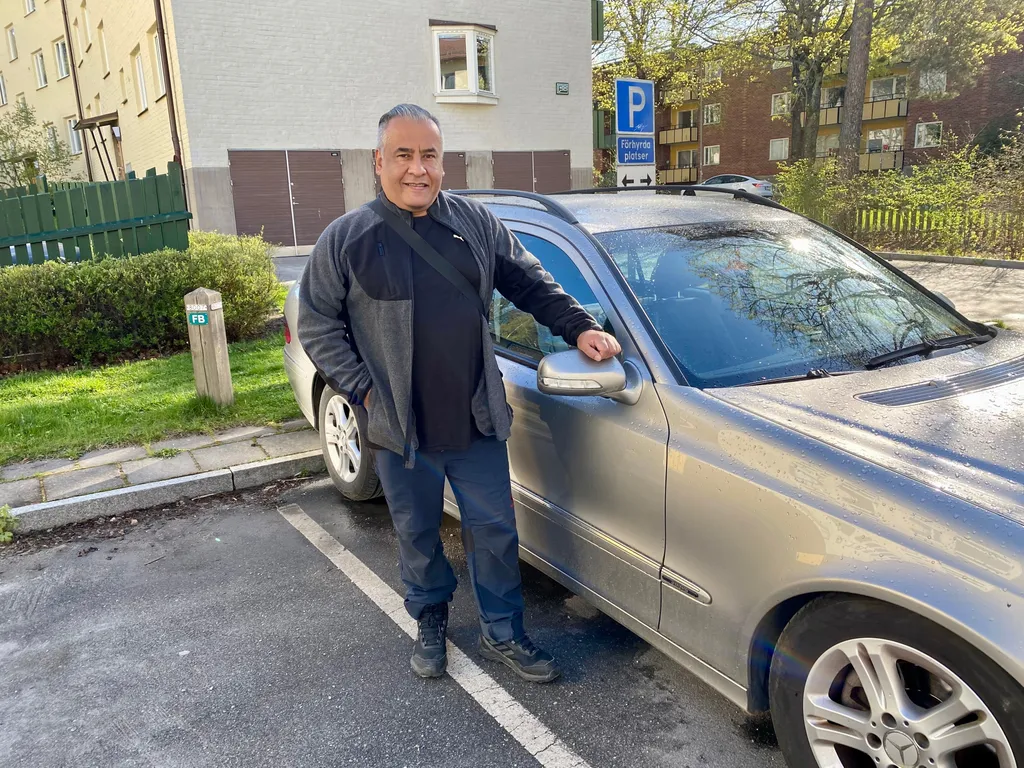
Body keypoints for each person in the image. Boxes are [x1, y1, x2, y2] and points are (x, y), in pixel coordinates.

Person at [298, 104, 621, 684]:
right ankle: (429, 618)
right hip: (400, 429)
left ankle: (503, 631)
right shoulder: (347, 238)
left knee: (495, 532)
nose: (417, 168)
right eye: (403, 155)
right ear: (378, 162)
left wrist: (578, 326)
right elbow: (317, 322)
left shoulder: (475, 223)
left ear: (442, 162)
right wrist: (365, 391)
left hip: (476, 419)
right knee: (418, 534)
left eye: (429, 155)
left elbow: (528, 281)